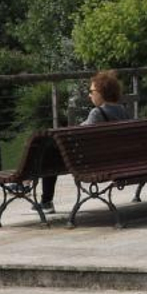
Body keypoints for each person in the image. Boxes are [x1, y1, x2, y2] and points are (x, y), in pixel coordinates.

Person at [39, 70, 132, 212]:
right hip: (119, 161)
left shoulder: (97, 113)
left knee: (49, 151)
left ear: (101, 92)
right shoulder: (123, 111)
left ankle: (45, 200)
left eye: (91, 91)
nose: (89, 95)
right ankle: (37, 192)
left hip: (94, 164)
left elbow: (76, 134)